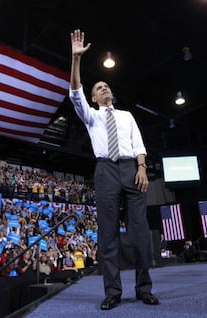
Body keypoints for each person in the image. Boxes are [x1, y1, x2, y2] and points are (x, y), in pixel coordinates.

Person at [69, 29, 159, 310]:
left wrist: (142, 167)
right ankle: (113, 292)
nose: (104, 88)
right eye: (98, 88)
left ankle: (144, 288)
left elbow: (139, 144)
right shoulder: (91, 116)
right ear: (94, 98)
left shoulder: (127, 116)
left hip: (132, 168)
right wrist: (76, 60)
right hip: (105, 170)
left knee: (140, 233)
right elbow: (74, 92)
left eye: (106, 86)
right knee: (108, 234)